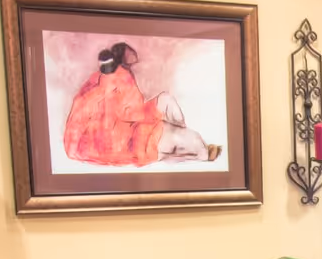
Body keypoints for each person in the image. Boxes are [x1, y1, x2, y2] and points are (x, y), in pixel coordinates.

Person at [60, 41, 221, 166]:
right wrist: (153, 116)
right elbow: (131, 113)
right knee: (188, 138)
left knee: (166, 102)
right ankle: (202, 154)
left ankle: (188, 147)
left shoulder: (97, 81)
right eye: (131, 64)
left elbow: (129, 111)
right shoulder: (119, 80)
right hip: (133, 140)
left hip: (127, 132)